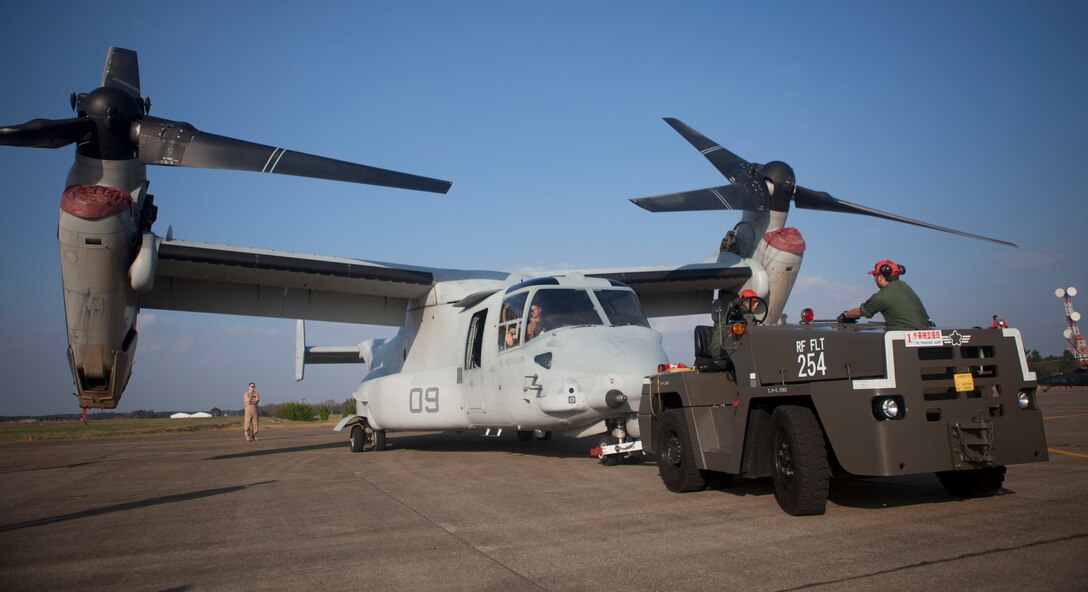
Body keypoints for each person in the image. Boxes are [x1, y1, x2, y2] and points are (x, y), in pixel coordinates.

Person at [839, 260, 933, 330]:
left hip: (906, 337)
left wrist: (845, 315)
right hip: (926, 331)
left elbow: (861, 311)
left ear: (880, 277)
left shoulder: (883, 296)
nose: (875, 278)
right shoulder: (905, 286)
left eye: (874, 275)